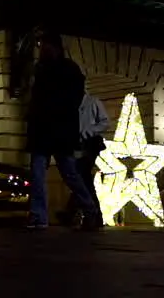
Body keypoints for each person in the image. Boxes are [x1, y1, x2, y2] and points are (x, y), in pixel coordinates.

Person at [26, 26, 100, 229]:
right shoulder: (51, 69)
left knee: (68, 174)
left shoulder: (64, 69)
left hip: (56, 129)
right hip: (50, 130)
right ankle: (39, 216)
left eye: (44, 45)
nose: (41, 49)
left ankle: (88, 209)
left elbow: (71, 99)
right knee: (47, 174)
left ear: (54, 46)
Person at [70, 90, 109, 222]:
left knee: (82, 175)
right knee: (82, 177)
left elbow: (105, 122)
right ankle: (90, 213)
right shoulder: (72, 104)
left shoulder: (93, 102)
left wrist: (89, 131)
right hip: (77, 145)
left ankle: (76, 210)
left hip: (90, 143)